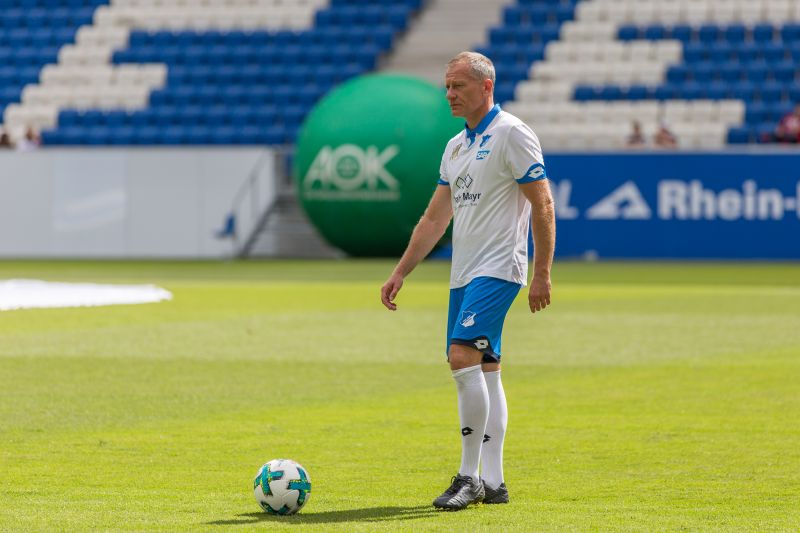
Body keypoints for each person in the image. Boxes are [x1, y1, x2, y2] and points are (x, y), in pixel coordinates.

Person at [380, 51, 556, 511]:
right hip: (464, 272)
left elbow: (543, 205)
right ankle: (495, 482)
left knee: (461, 356)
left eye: (458, 86)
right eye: (447, 86)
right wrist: (401, 271)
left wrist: (541, 272)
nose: (450, 94)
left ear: (487, 86)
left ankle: (468, 476)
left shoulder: (512, 134)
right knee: (486, 368)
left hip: (499, 268)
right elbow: (435, 218)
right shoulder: (455, 146)